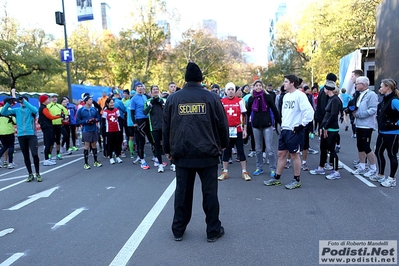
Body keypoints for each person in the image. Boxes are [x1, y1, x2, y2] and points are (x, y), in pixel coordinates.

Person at [163, 62, 229, 242]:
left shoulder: (173, 99)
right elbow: (222, 124)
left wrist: (167, 150)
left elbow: (166, 127)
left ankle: (178, 229)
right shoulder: (212, 98)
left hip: (183, 153)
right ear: (201, 79)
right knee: (210, 194)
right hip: (208, 153)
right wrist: (223, 144)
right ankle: (213, 230)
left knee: (182, 194)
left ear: (185, 79)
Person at [263, 74, 314, 189]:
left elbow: (309, 112)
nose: (284, 84)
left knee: (294, 154)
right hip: (285, 129)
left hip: (294, 130)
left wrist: (301, 126)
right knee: (281, 154)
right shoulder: (285, 96)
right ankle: (276, 178)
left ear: (292, 83)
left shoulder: (300, 95)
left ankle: (297, 179)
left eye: (286, 82)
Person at [1, 89, 41, 182]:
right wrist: (9, 103)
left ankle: (38, 173)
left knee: (34, 154)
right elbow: (3, 112)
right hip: (21, 135)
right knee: (26, 156)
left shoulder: (31, 110)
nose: (22, 103)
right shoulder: (16, 110)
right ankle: (30, 174)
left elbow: (35, 110)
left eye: (23, 101)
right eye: (21, 101)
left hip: (31, 134)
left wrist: (24, 101)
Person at [247, 80, 281, 177]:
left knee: (269, 148)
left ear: (263, 87)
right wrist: (246, 126)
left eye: (260, 85)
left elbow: (274, 109)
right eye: (256, 85)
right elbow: (248, 113)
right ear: (253, 87)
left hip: (267, 125)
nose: (258, 87)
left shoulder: (267, 97)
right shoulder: (251, 99)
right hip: (256, 126)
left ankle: (273, 169)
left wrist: (279, 122)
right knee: (258, 148)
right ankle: (259, 167)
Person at [218, 82, 250, 181]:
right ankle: (225, 172)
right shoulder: (222, 101)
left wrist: (245, 129)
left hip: (238, 129)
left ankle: (244, 171)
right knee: (226, 151)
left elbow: (245, 116)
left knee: (240, 151)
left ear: (235, 91)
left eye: (232, 89)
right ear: (226, 91)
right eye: (229, 90)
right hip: (226, 130)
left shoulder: (239, 101)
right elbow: (218, 117)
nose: (231, 91)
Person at [310, 81, 342, 179]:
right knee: (323, 148)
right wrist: (322, 127)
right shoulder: (330, 99)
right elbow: (326, 115)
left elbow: (333, 115)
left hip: (332, 129)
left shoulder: (335, 100)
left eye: (324, 89)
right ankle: (321, 167)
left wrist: (326, 127)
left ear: (327, 89)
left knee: (331, 150)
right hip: (326, 127)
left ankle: (336, 171)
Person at [372, 79, 399, 187]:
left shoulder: (394, 100)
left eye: (382, 86)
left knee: (392, 154)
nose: (380, 88)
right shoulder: (384, 100)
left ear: (388, 87)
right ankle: (381, 174)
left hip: (392, 133)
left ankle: (392, 178)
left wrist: (395, 123)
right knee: (378, 152)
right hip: (382, 131)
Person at [351, 76, 378, 177]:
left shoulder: (371, 95)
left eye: (357, 83)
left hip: (366, 125)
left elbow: (372, 109)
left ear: (362, 84)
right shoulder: (360, 94)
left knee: (366, 146)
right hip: (359, 124)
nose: (355, 85)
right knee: (360, 145)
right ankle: (362, 166)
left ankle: (373, 167)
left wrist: (359, 114)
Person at [144, 85, 167, 173]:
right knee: (157, 145)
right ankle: (160, 164)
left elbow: (167, 111)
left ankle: (173, 163)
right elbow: (145, 112)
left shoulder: (164, 100)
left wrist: (161, 103)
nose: (155, 91)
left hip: (164, 126)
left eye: (157, 89)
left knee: (167, 144)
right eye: (154, 89)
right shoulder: (148, 101)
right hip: (154, 127)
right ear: (151, 91)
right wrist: (151, 104)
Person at [76, 95, 102, 169]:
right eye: (90, 99)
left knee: (94, 145)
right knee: (86, 146)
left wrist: (95, 120)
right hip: (86, 130)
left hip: (94, 129)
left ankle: (96, 161)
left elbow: (98, 117)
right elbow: (78, 121)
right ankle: (86, 163)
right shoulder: (81, 110)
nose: (92, 101)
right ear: (86, 101)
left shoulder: (94, 109)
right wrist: (87, 121)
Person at [38, 94, 62, 166]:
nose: (49, 100)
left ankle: (47, 159)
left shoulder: (43, 107)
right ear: (44, 101)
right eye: (47, 99)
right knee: (48, 143)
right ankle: (46, 159)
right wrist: (59, 116)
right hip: (47, 127)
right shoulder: (43, 108)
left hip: (46, 126)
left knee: (49, 142)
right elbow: (50, 117)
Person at [102, 98, 123, 164]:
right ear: (107, 104)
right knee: (110, 144)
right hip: (109, 130)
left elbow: (120, 119)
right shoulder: (105, 112)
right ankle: (111, 157)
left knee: (117, 143)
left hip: (117, 129)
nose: (112, 104)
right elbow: (102, 123)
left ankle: (117, 156)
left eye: (113, 102)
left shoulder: (116, 110)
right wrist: (103, 132)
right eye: (111, 103)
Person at [0, 101, 16, 169]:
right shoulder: (10, 110)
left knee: (4, 146)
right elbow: (15, 121)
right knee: (11, 146)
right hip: (9, 131)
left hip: (1, 132)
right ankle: (10, 163)